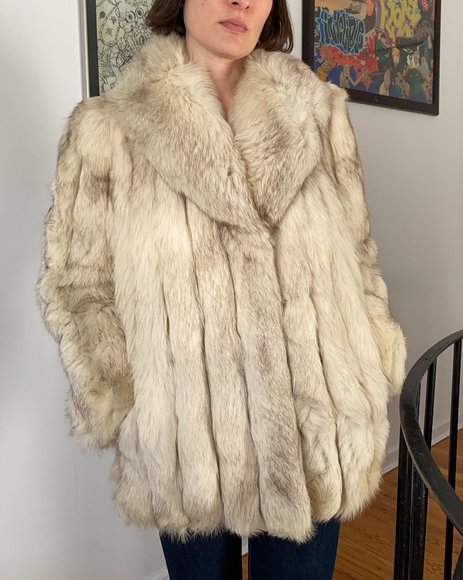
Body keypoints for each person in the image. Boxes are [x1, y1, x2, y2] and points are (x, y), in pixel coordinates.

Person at [36, 0, 406, 577]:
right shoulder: (108, 129)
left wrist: (371, 359)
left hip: (313, 428)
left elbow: (358, 252)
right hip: (189, 442)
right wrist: (122, 400)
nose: (242, 3)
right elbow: (78, 283)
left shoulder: (317, 111)